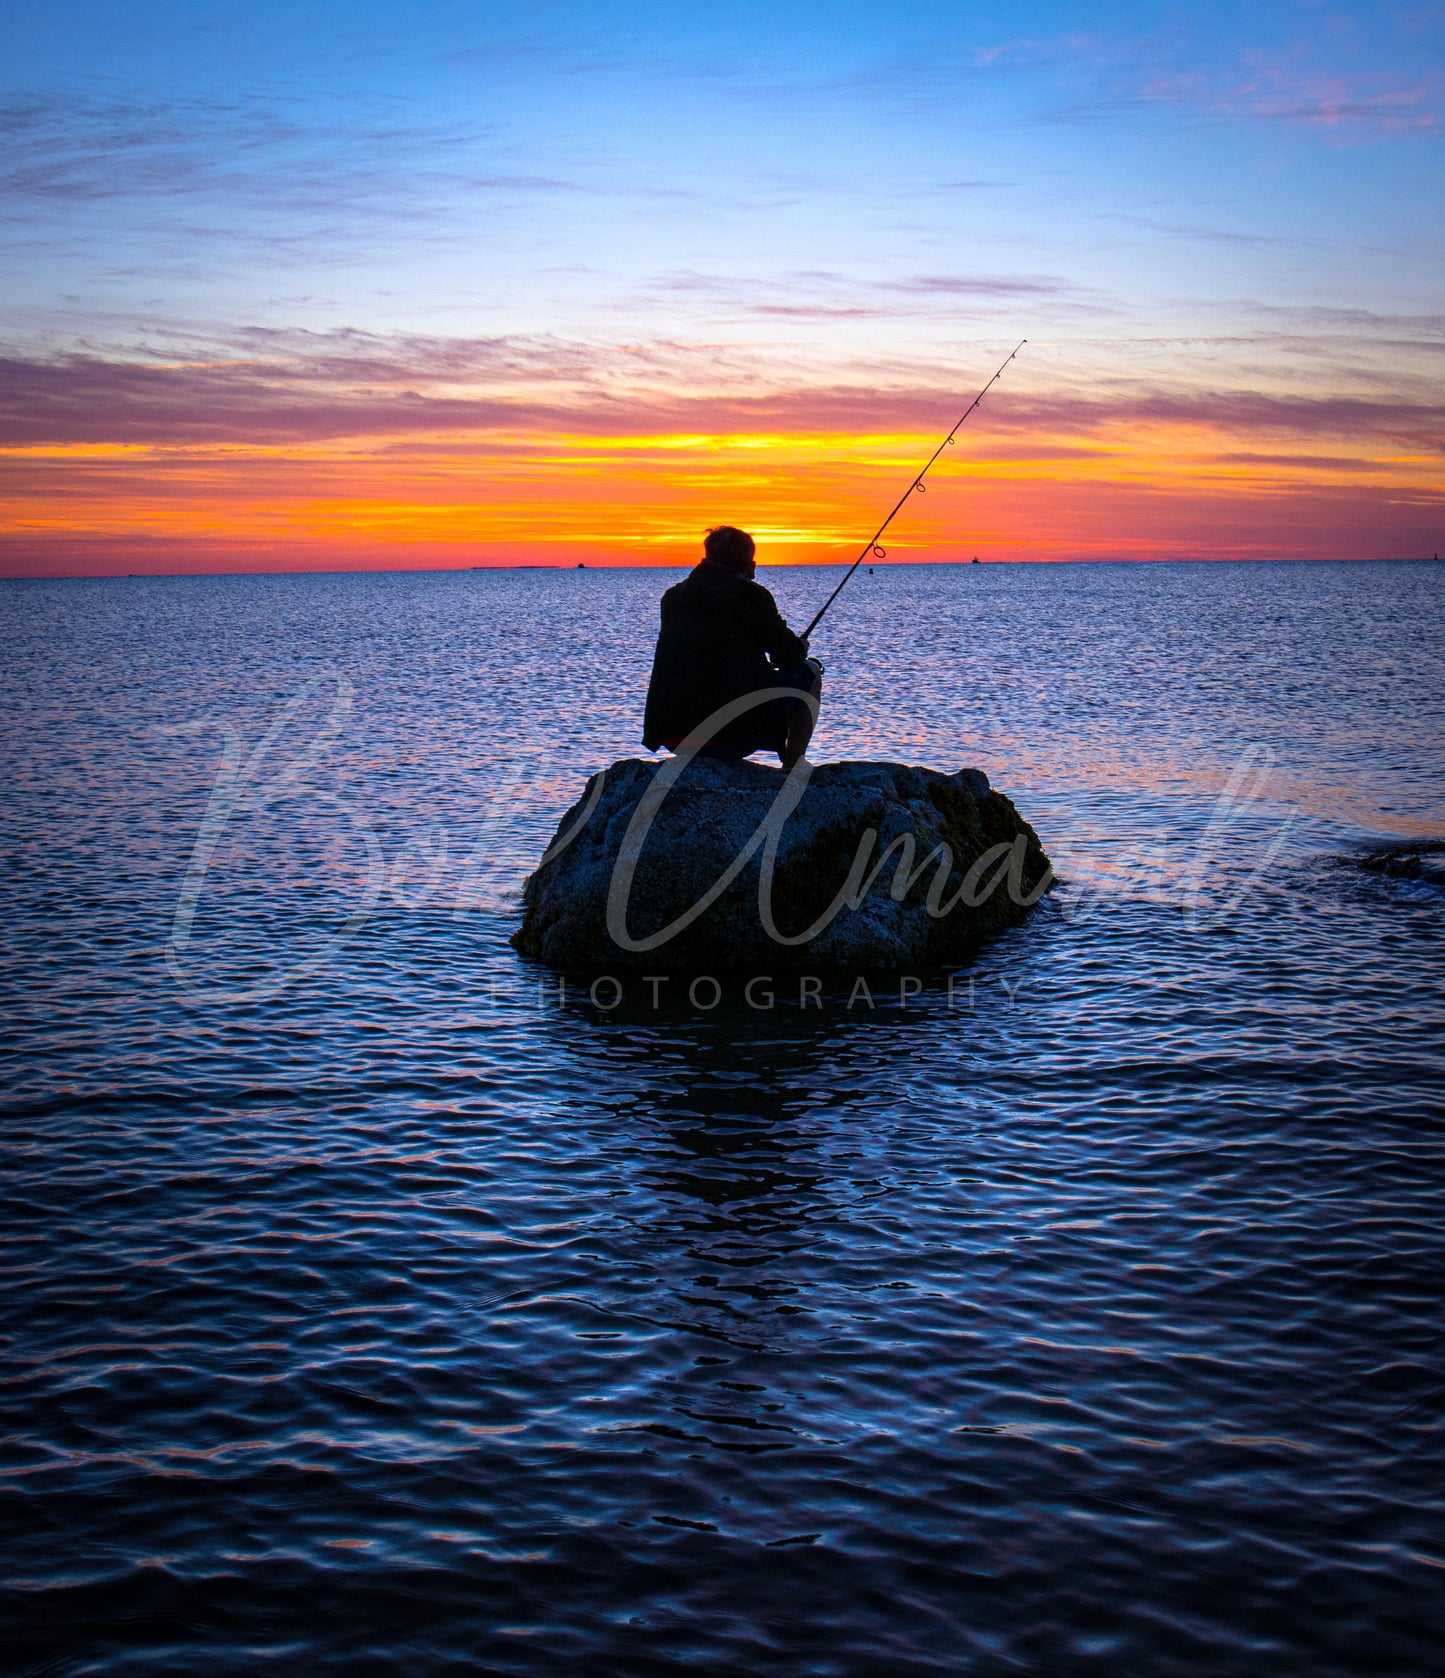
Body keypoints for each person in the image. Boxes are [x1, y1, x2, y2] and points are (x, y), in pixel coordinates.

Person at [642, 526, 823, 769]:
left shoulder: (673, 597)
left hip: (674, 735)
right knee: (808, 671)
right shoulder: (752, 596)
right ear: (744, 560)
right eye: (751, 558)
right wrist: (800, 646)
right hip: (729, 735)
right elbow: (788, 655)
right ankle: (793, 766)